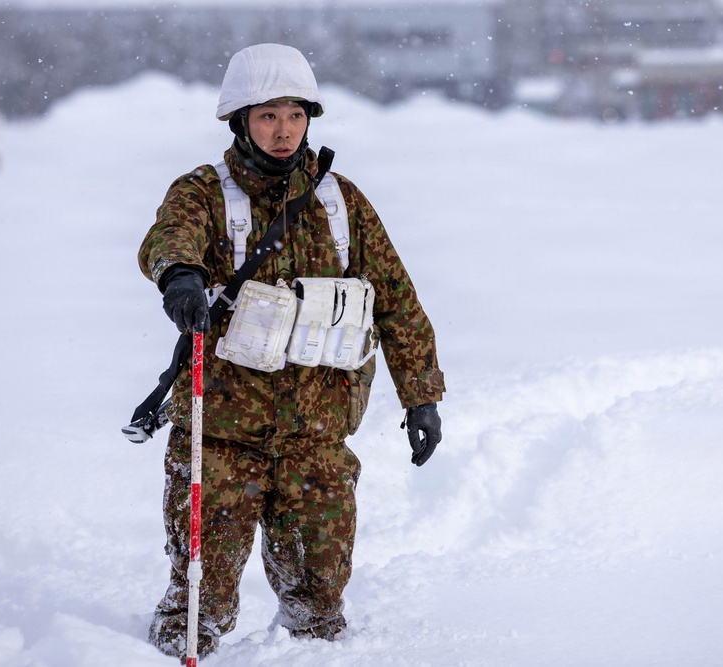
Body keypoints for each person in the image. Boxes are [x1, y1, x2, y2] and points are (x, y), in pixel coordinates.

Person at [137, 43, 445, 661]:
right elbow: (168, 239)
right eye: (268, 115)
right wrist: (181, 278)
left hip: (317, 442)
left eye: (296, 115)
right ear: (240, 121)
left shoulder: (341, 203)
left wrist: (422, 397)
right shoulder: (204, 192)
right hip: (221, 437)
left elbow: (396, 303)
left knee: (320, 601)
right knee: (201, 603)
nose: (284, 131)